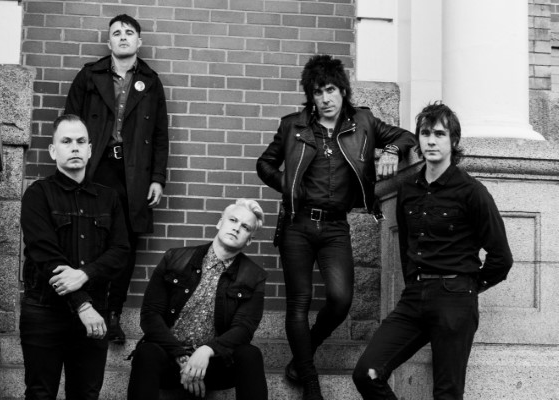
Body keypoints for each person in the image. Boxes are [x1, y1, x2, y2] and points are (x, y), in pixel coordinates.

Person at [256, 54, 416, 400]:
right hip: (298, 224)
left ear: (342, 90)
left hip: (335, 227)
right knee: (299, 302)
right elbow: (264, 164)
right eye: (318, 92)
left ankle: (304, 354)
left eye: (330, 90)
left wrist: (390, 151)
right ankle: (309, 379)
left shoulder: (364, 122)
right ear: (310, 96)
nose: (325, 98)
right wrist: (288, 185)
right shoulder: (293, 126)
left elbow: (406, 136)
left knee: (341, 300)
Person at [353, 102, 514, 399]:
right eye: (425, 133)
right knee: (367, 372)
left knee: (446, 393)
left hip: (455, 298)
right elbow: (406, 247)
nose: (431, 140)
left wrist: (467, 286)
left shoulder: (472, 192)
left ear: (453, 140)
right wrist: (415, 284)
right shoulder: (408, 189)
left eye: (439, 134)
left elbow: (501, 258)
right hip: (414, 298)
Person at [64, 14, 169, 344]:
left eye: (129, 32)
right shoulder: (89, 75)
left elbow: (160, 134)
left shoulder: (151, 81)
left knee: (124, 244)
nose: (123, 37)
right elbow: (69, 124)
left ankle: (113, 314)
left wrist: (157, 178)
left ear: (139, 41)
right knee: (87, 237)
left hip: (134, 174)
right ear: (109, 41)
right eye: (117, 33)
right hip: (95, 168)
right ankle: (85, 307)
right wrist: (72, 168)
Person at [19, 114, 129, 400]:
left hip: (95, 313)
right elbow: (46, 256)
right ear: (53, 150)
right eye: (66, 141)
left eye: (81, 141)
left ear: (90, 150)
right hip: (45, 312)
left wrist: (85, 274)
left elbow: (120, 252)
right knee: (40, 393)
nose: (75, 147)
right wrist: (82, 304)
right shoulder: (38, 194)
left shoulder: (109, 198)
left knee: (86, 394)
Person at [127, 199, 268, 400]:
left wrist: (207, 351)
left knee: (250, 354)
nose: (237, 228)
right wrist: (181, 356)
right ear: (220, 223)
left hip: (215, 364)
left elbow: (244, 328)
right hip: (170, 359)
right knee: (146, 353)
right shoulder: (175, 258)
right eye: (233, 220)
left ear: (249, 240)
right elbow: (150, 315)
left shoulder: (254, 276)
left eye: (245, 227)